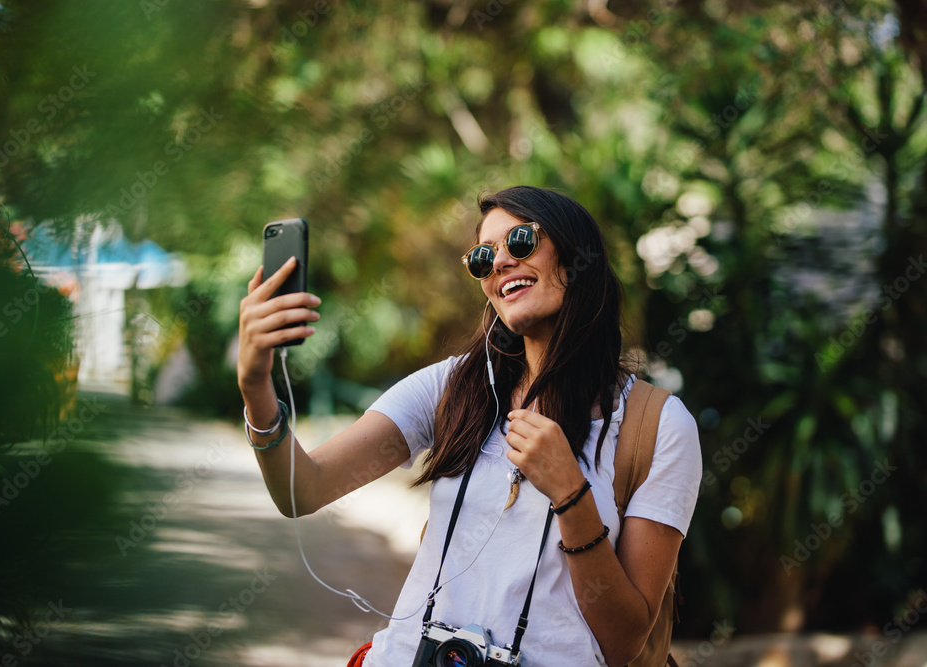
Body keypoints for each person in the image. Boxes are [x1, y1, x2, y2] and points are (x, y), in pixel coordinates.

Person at [237, 185, 702, 666]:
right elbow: (304, 489)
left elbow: (624, 642)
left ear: (574, 254)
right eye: (483, 257)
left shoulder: (659, 427)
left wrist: (571, 494)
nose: (498, 263)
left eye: (520, 241)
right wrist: (255, 388)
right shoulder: (452, 387)